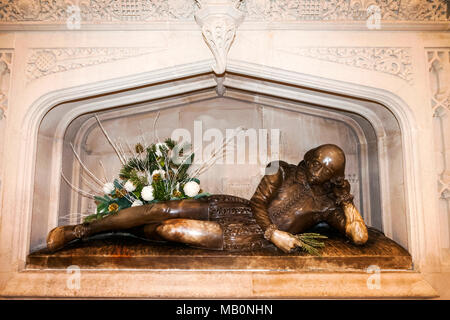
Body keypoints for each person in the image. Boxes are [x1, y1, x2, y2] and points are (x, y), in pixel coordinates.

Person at [47, 144, 368, 253]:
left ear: (334, 176)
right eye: (315, 162)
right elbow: (257, 204)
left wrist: (346, 199)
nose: (315, 170)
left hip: (246, 237)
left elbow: (359, 236)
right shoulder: (279, 167)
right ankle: (83, 231)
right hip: (238, 210)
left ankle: (122, 230)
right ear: (308, 156)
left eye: (325, 170)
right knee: (163, 207)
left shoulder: (328, 204)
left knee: (170, 230)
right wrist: (277, 234)